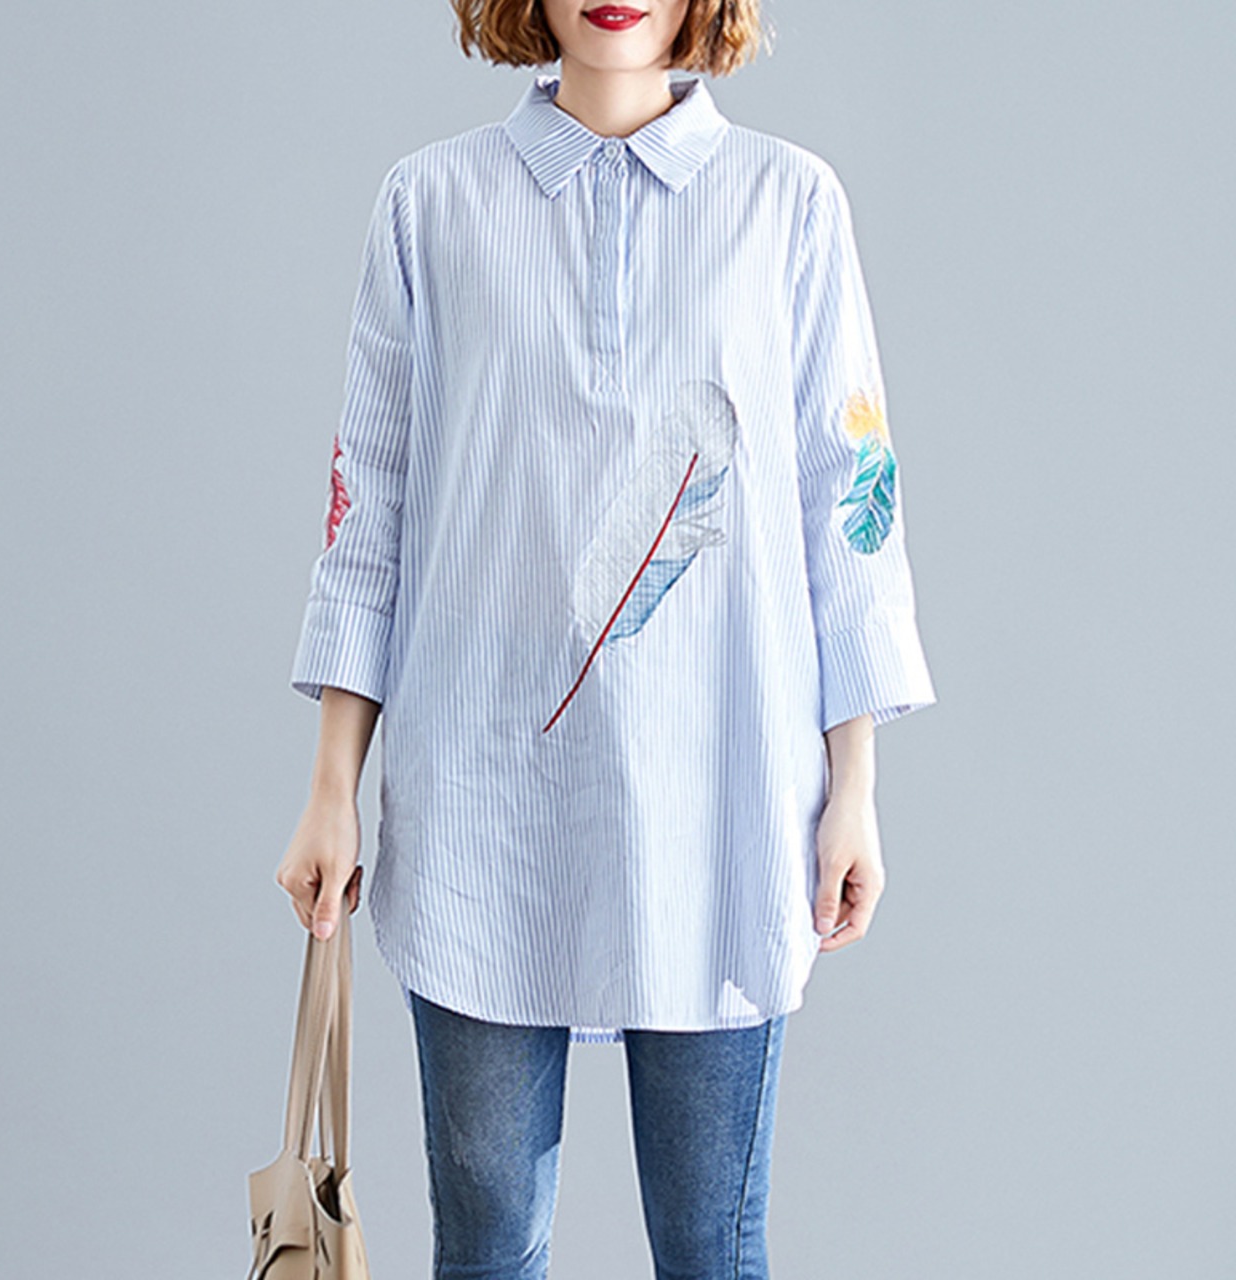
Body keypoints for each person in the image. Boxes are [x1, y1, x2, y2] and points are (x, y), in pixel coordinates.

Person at [275, 1, 937, 1275]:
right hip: (479, 806)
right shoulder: (431, 206)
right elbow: (370, 509)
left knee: (710, 1247)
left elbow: (845, 503)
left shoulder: (787, 205)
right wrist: (331, 789)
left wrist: (852, 783)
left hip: (721, 804)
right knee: (484, 1246)